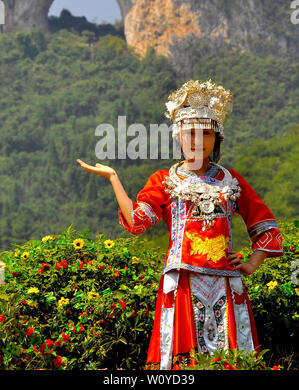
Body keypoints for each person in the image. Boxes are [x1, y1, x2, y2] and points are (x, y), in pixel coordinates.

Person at [77, 79, 283, 370]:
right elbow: (137, 221)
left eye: (206, 134)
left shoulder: (231, 180)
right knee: (181, 363)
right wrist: (114, 178)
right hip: (182, 281)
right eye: (190, 133)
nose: (198, 141)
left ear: (217, 138)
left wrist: (251, 263)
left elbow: (266, 226)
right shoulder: (164, 181)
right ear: (178, 137)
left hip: (226, 282)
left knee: (232, 360)